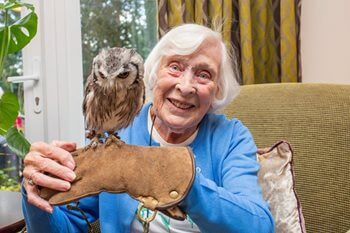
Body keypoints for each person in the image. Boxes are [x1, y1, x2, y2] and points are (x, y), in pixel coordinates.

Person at [22, 24, 274, 233]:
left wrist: (183, 182)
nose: (186, 87)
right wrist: (36, 195)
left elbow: (259, 226)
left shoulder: (230, 137)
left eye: (204, 74)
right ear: (153, 72)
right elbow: (66, 226)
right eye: (175, 67)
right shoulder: (118, 132)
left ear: (217, 90)